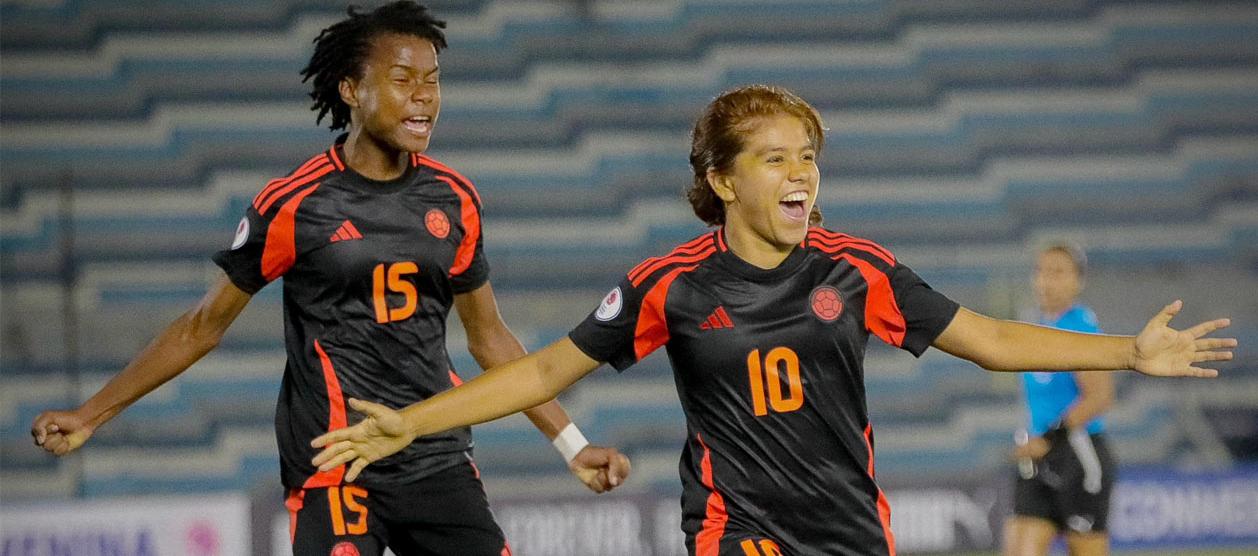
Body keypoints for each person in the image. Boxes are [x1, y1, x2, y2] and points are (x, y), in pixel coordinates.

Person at [308, 85, 1235, 556]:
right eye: (777, 159)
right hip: (731, 531)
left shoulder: (856, 269)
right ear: (722, 179)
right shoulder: (670, 285)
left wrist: (1130, 350)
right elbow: (544, 371)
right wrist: (412, 422)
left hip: (850, 532)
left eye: (810, 158)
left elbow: (989, 339)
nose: (801, 176)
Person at [29, 3, 630, 555]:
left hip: (435, 457)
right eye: (402, 79)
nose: (423, 97)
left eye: (433, 79)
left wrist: (572, 446)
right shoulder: (295, 203)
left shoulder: (456, 200)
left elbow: (490, 338)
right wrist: (91, 415)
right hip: (334, 464)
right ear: (351, 90)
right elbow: (202, 326)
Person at [1005, 242, 1116, 556]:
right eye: (1041, 271)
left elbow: (1100, 397)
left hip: (1077, 455)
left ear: (1077, 281)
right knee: (1019, 547)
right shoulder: (1033, 325)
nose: (1046, 280)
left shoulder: (1081, 329)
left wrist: (1051, 438)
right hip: (1036, 456)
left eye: (1058, 272)